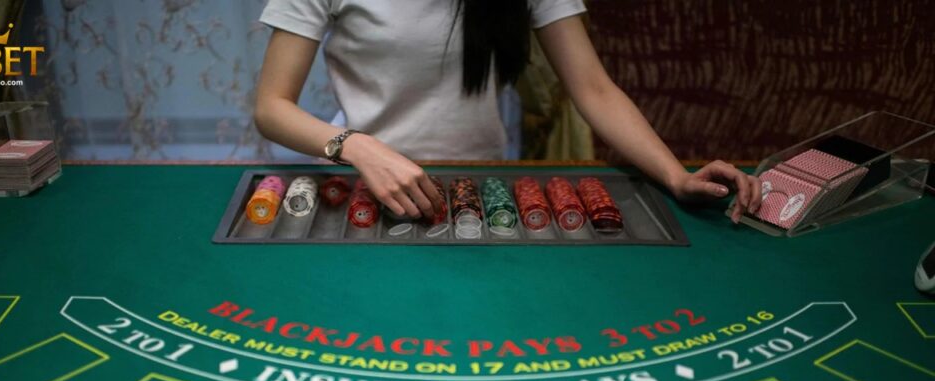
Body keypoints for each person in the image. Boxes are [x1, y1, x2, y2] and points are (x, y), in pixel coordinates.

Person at [254, 0, 762, 223]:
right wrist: (358, 145)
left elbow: (593, 89)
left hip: (485, 187)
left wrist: (676, 177)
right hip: (368, 186)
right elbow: (272, 107)